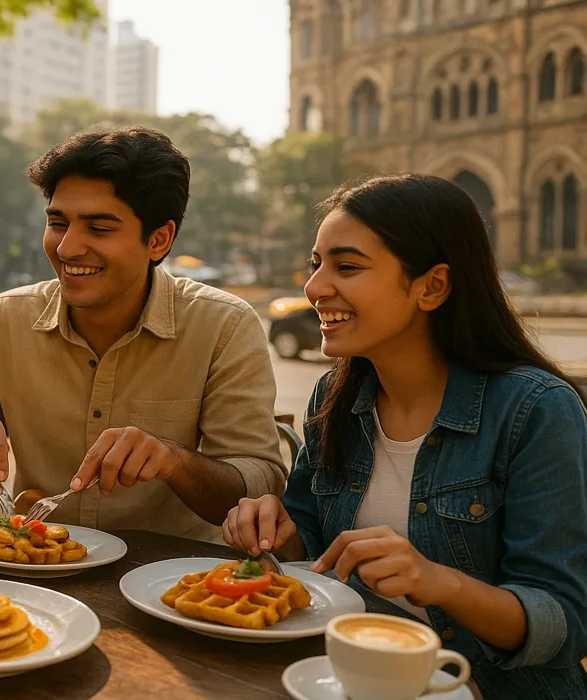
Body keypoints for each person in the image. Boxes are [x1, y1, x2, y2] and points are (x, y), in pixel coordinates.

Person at [223, 174, 587, 698]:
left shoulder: (535, 410)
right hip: (347, 680)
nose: (315, 287)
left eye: (346, 266)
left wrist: (439, 582)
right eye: (316, 264)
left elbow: (564, 623)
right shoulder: (335, 396)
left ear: (432, 286)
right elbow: (309, 543)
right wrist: (274, 527)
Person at [0, 127, 286, 540]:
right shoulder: (3, 320)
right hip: (34, 573)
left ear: (159, 240)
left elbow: (258, 480)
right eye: (57, 222)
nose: (68, 248)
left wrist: (173, 461)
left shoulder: (223, 326)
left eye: (99, 229)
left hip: (174, 583)